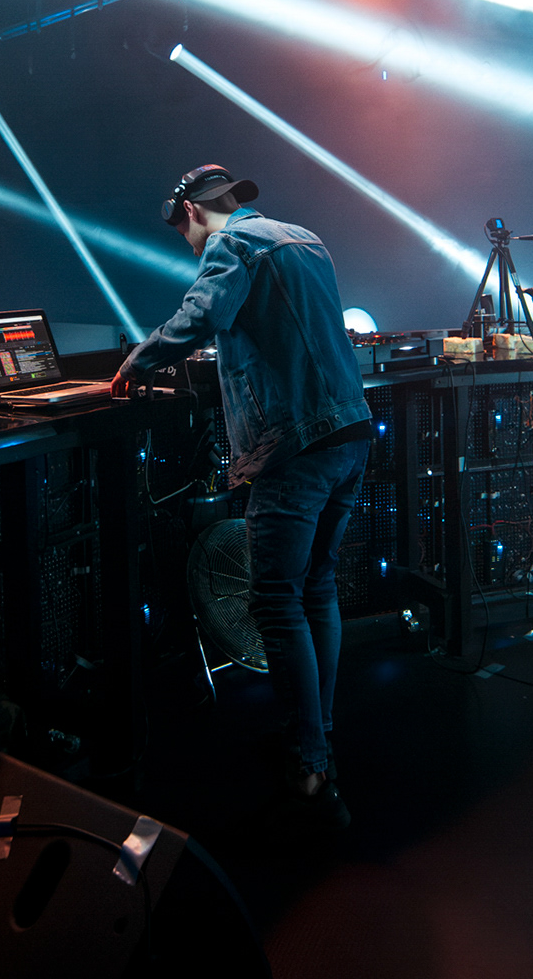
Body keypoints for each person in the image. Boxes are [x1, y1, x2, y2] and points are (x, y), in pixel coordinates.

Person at [112, 166, 373, 833]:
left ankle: (309, 765)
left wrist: (137, 362)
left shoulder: (232, 245)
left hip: (295, 443)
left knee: (276, 601)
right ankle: (317, 734)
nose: (188, 243)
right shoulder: (305, 238)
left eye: (183, 231)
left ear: (190, 212)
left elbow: (204, 314)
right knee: (316, 591)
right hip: (349, 432)